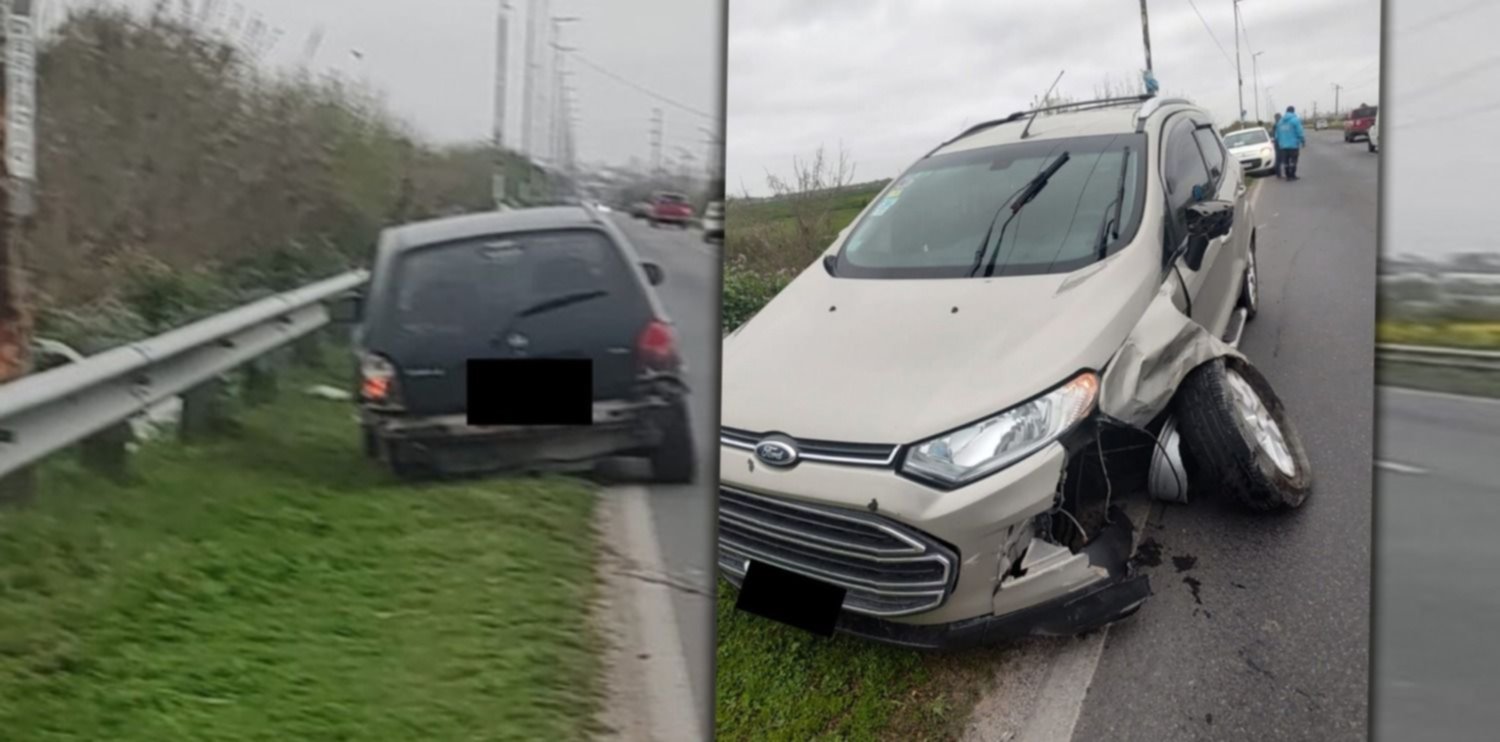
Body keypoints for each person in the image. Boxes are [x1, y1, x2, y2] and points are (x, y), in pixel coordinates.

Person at [1275, 105, 1307, 180]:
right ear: (1293, 111)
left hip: (1283, 146)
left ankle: (1287, 176)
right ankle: (1292, 175)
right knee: (1293, 160)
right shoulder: (1295, 120)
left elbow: (1277, 135)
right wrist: (1302, 140)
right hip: (1293, 145)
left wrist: (1280, 143)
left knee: (1286, 161)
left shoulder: (1280, 122)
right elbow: (1300, 132)